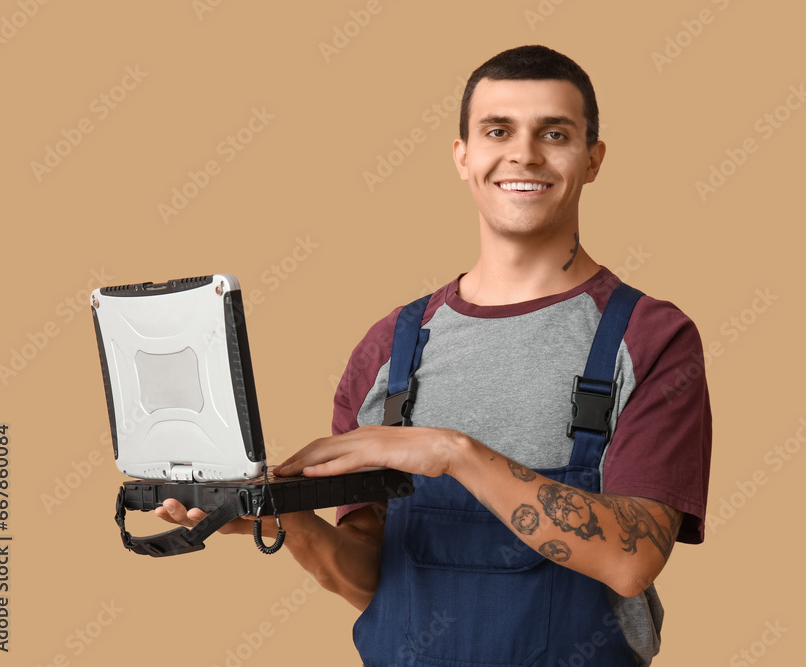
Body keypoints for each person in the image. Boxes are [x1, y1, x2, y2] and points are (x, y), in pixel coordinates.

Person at [157, 45, 712, 666]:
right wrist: (276, 517)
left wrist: (452, 453)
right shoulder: (389, 348)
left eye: (554, 133)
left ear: (592, 160)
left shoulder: (650, 336)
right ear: (463, 156)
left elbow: (631, 560)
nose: (524, 153)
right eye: (497, 130)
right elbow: (372, 578)